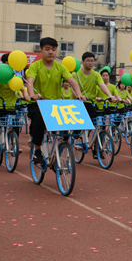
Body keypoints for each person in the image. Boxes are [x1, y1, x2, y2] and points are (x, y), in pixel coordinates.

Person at [25, 37, 85, 165]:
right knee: (38, 122)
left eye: (53, 49)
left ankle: (64, 144)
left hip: (55, 104)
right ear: (41, 51)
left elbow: (72, 81)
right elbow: (30, 81)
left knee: (73, 117)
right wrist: (32, 95)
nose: (51, 52)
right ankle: (37, 151)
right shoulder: (35, 66)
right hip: (39, 103)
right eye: (47, 49)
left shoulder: (60, 67)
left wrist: (79, 95)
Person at [74, 52, 117, 118]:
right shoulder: (76, 74)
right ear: (83, 62)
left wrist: (110, 95)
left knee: (93, 122)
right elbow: (72, 88)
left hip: (91, 103)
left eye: (92, 61)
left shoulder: (96, 75)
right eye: (88, 61)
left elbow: (102, 85)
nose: (90, 63)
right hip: (78, 103)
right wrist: (78, 96)